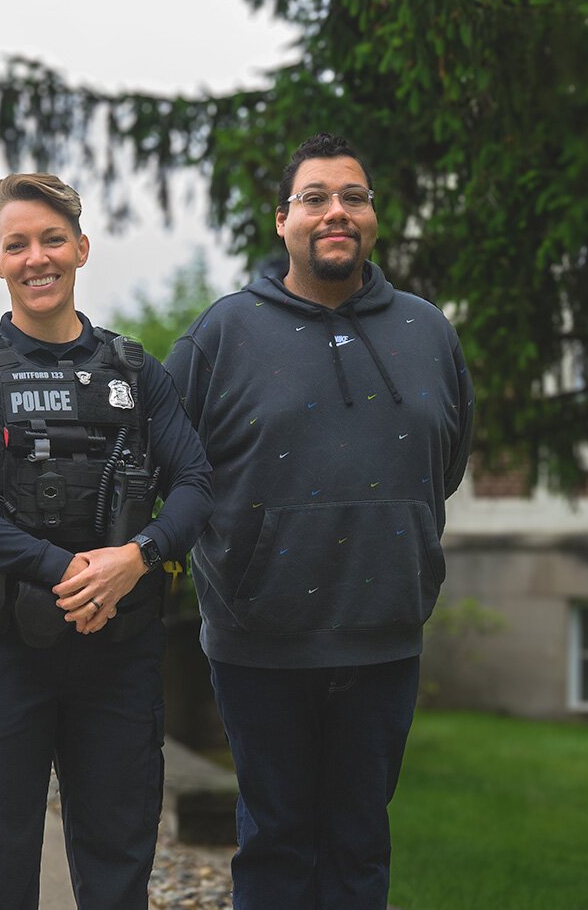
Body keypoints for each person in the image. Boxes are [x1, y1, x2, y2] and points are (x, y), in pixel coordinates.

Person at [163, 132, 475, 909]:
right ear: (282, 220)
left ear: (372, 216)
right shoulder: (223, 334)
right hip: (257, 642)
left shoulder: (428, 330)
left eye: (354, 197)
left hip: (384, 634)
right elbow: (169, 466)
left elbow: (449, 457)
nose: (336, 211)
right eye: (315, 198)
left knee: (360, 844)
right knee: (276, 844)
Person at [0, 173, 213, 910]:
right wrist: (66, 569)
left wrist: (133, 558)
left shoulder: (137, 373)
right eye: (17, 244)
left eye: (52, 239)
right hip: (2, 653)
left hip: (119, 655)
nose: (36, 257)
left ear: (81, 248)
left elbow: (199, 483)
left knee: (118, 872)